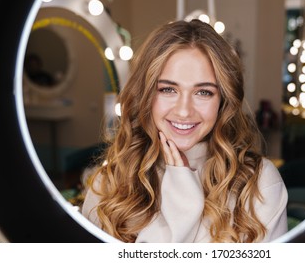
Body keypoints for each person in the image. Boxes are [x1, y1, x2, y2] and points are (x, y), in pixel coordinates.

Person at [81, 19, 288, 243]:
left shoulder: (259, 184)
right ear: (147, 94)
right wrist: (183, 211)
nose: (184, 111)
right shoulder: (108, 184)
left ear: (222, 100)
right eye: (168, 89)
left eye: (203, 92)